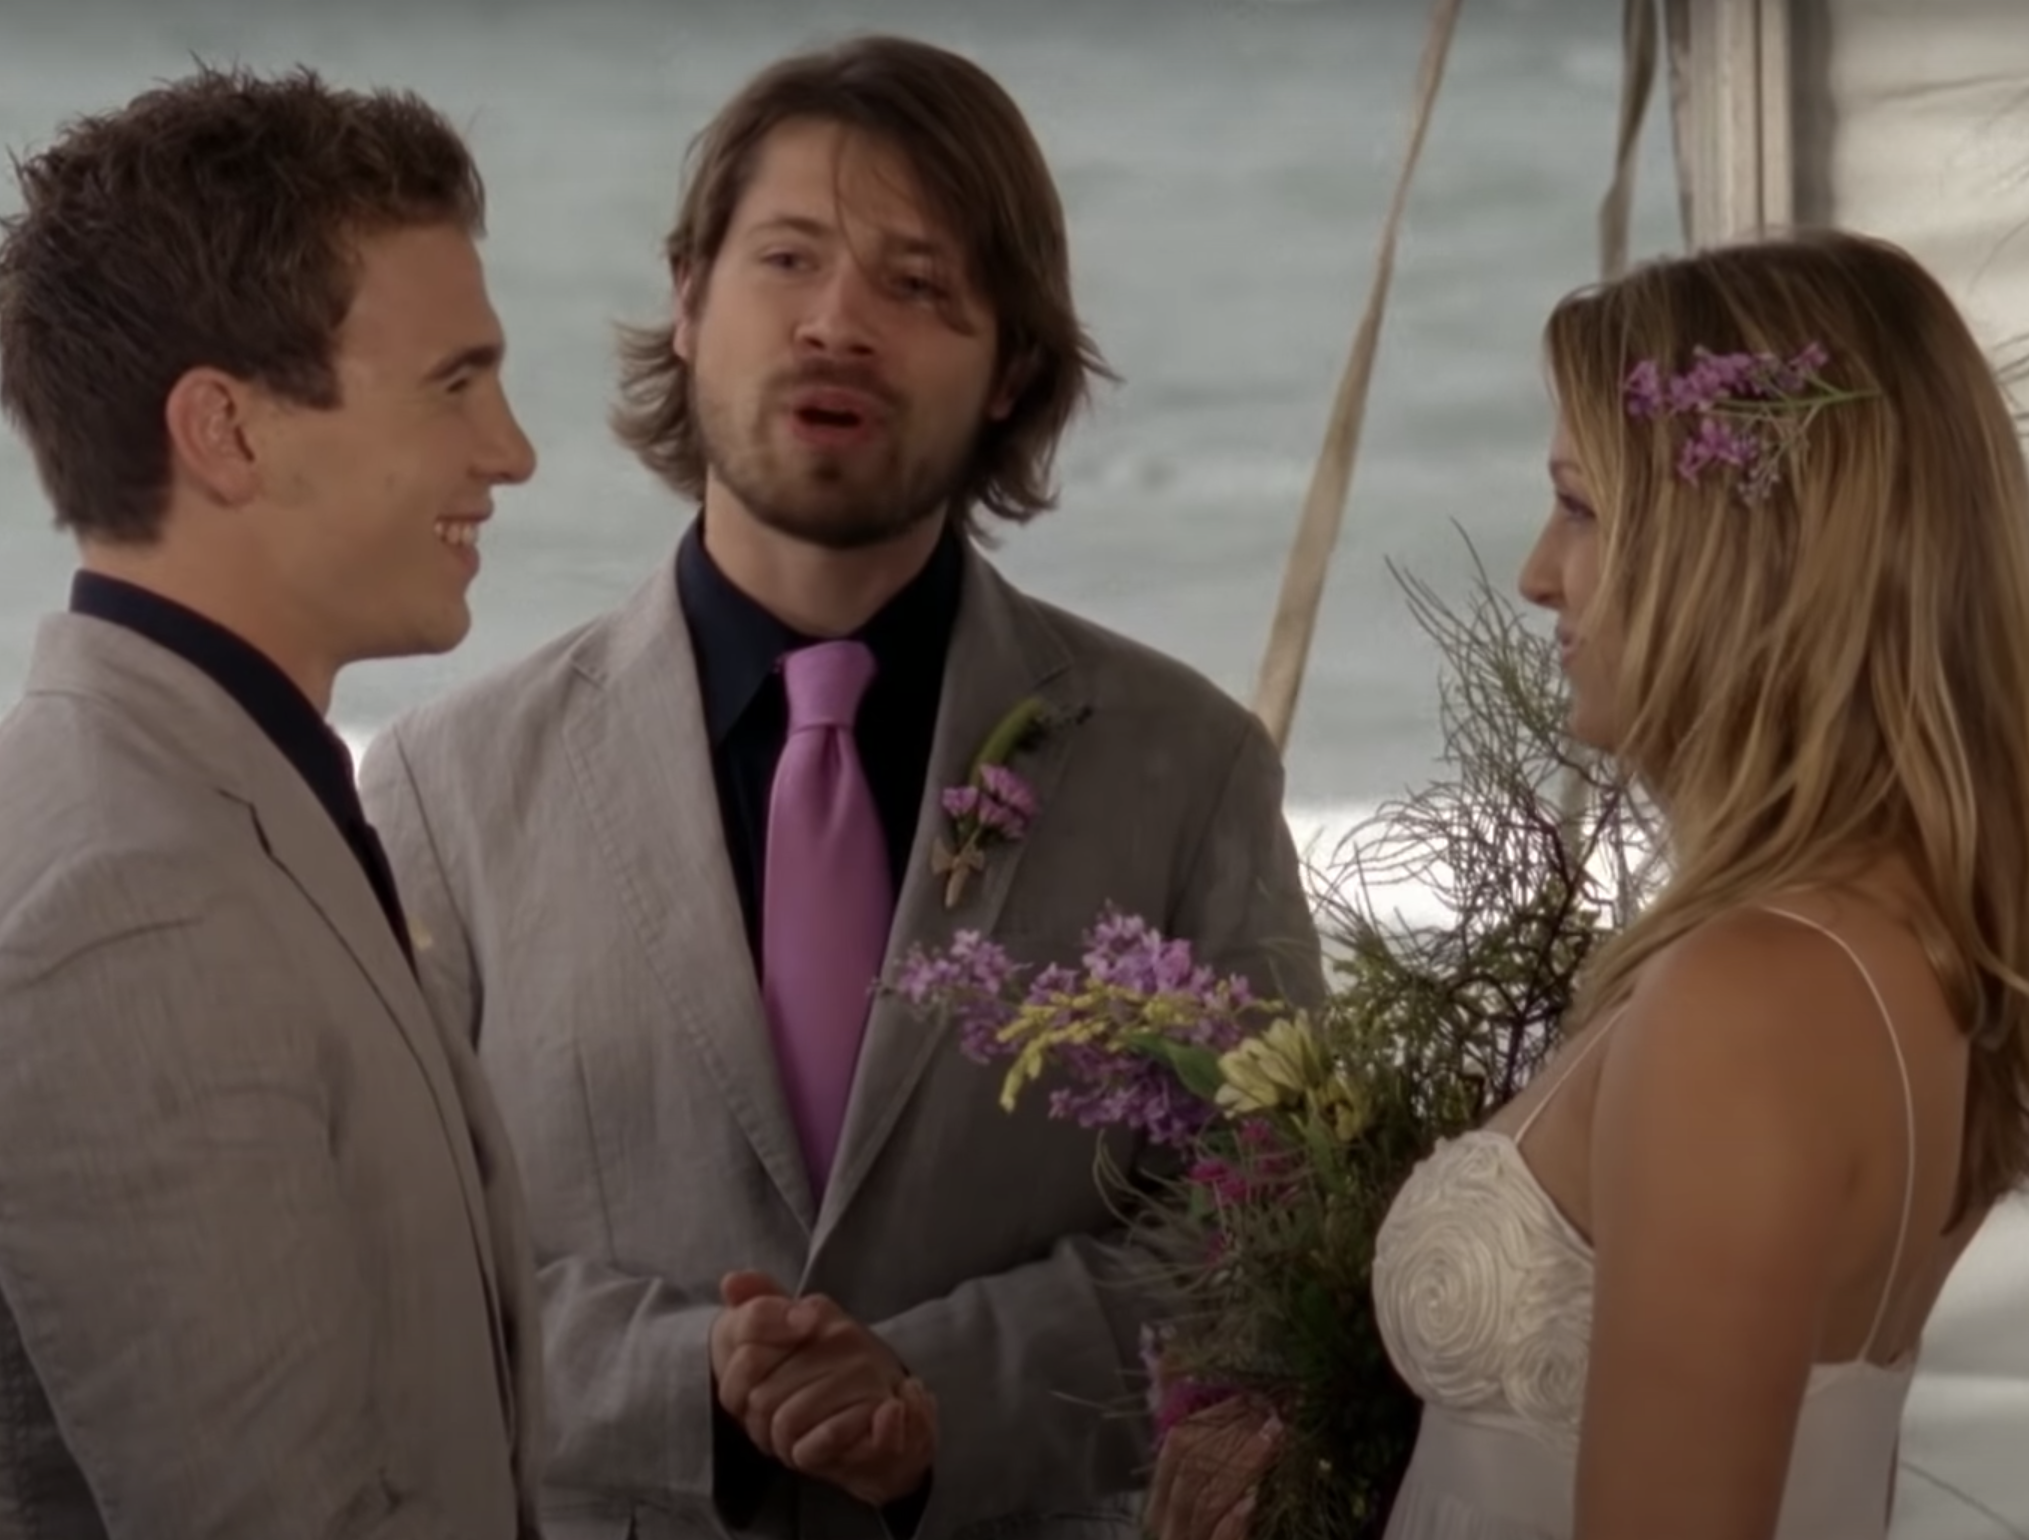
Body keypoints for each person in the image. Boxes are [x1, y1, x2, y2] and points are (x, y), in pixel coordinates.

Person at [359, 33, 1323, 1540]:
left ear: (1011, 365)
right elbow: (388, 1260)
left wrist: (934, 1395)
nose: (837, 324)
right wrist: (702, 1380)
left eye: (918, 284)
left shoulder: (1183, 766)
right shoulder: (444, 787)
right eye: (787, 258)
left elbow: (1262, 1237)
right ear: (687, 302)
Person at [1151, 229, 2029, 1540]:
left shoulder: (1750, 1001)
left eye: (1579, 506)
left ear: (1742, 548)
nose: (1535, 575)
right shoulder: (1893, 950)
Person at [0, 64, 543, 1540]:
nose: (511, 452)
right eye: (453, 383)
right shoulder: (128, 906)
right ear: (227, 431)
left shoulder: (195, 792)